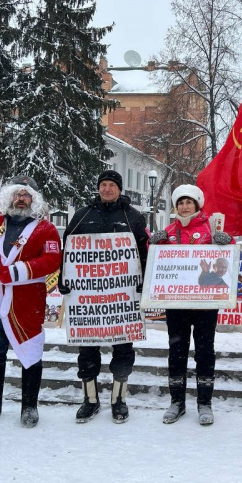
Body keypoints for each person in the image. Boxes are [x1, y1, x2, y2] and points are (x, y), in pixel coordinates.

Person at [0, 176, 62, 428]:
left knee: (30, 353)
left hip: (27, 302)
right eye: (17, 194)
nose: (21, 199)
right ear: (8, 198)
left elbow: (52, 260)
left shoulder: (45, 229)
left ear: (34, 200)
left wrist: (18, 271)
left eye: (26, 195)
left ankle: (29, 407)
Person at [59, 169, 148, 424]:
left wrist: (144, 282)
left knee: (123, 349)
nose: (107, 189)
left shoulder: (133, 217)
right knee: (87, 351)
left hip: (123, 299)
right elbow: (69, 251)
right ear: (98, 188)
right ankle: (90, 400)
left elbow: (145, 252)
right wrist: (64, 278)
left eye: (111, 185)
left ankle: (118, 399)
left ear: (120, 189)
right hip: (88, 302)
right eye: (103, 185)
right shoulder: (82, 215)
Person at [149, 185, 233, 425]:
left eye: (189, 202)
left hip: (205, 303)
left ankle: (204, 402)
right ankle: (177, 401)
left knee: (205, 352)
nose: (185, 207)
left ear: (198, 205)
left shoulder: (210, 228)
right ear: (175, 207)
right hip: (176, 303)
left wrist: (226, 242)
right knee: (177, 351)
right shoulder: (169, 230)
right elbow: (157, 262)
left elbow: (227, 255)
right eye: (181, 203)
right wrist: (153, 244)